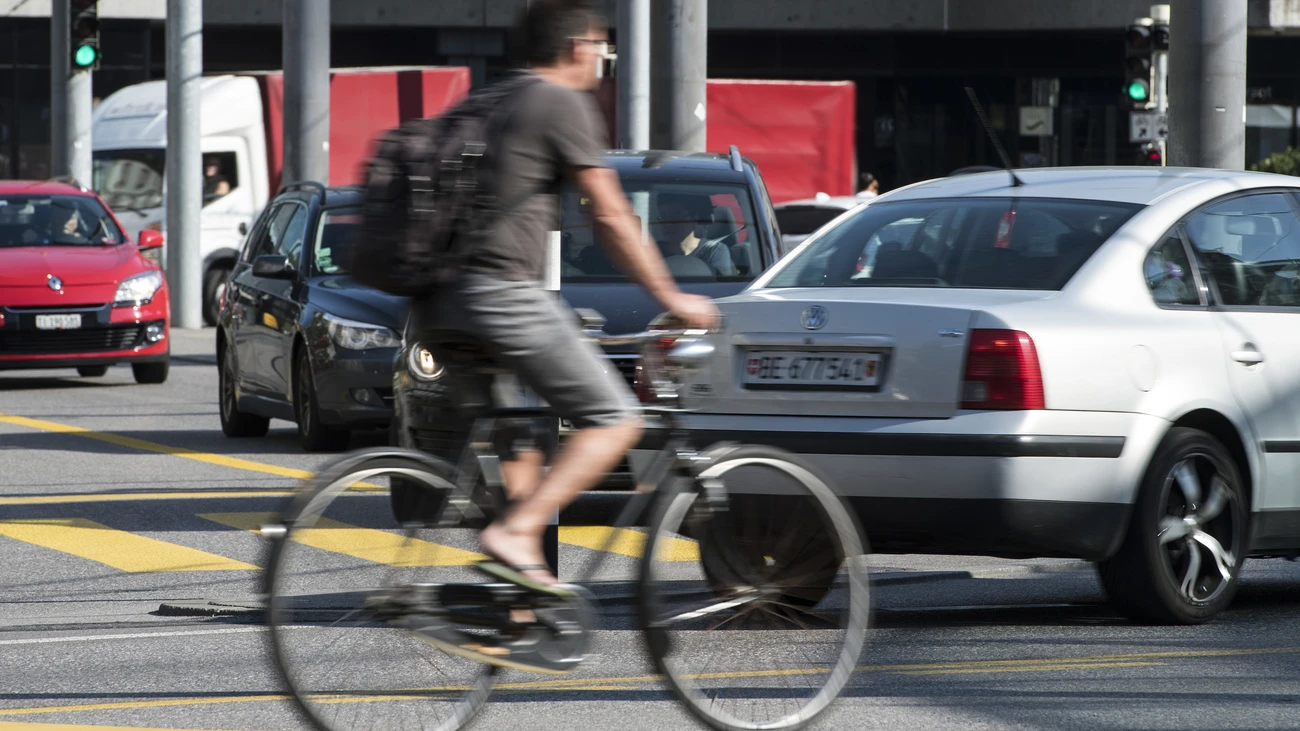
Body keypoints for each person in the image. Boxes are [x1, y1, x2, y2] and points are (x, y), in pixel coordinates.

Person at [409, 0, 719, 593]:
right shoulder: (559, 102)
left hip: (436, 303)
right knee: (616, 420)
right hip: (501, 295)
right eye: (603, 49)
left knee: (520, 444)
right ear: (579, 47)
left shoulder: (485, 101)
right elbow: (610, 215)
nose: (603, 62)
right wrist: (672, 297)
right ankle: (516, 535)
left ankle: (520, 606)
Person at [654, 192, 736, 276]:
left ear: (694, 218)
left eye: (676, 216)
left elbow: (721, 283)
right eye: (663, 217)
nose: (667, 224)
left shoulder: (714, 251)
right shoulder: (652, 252)